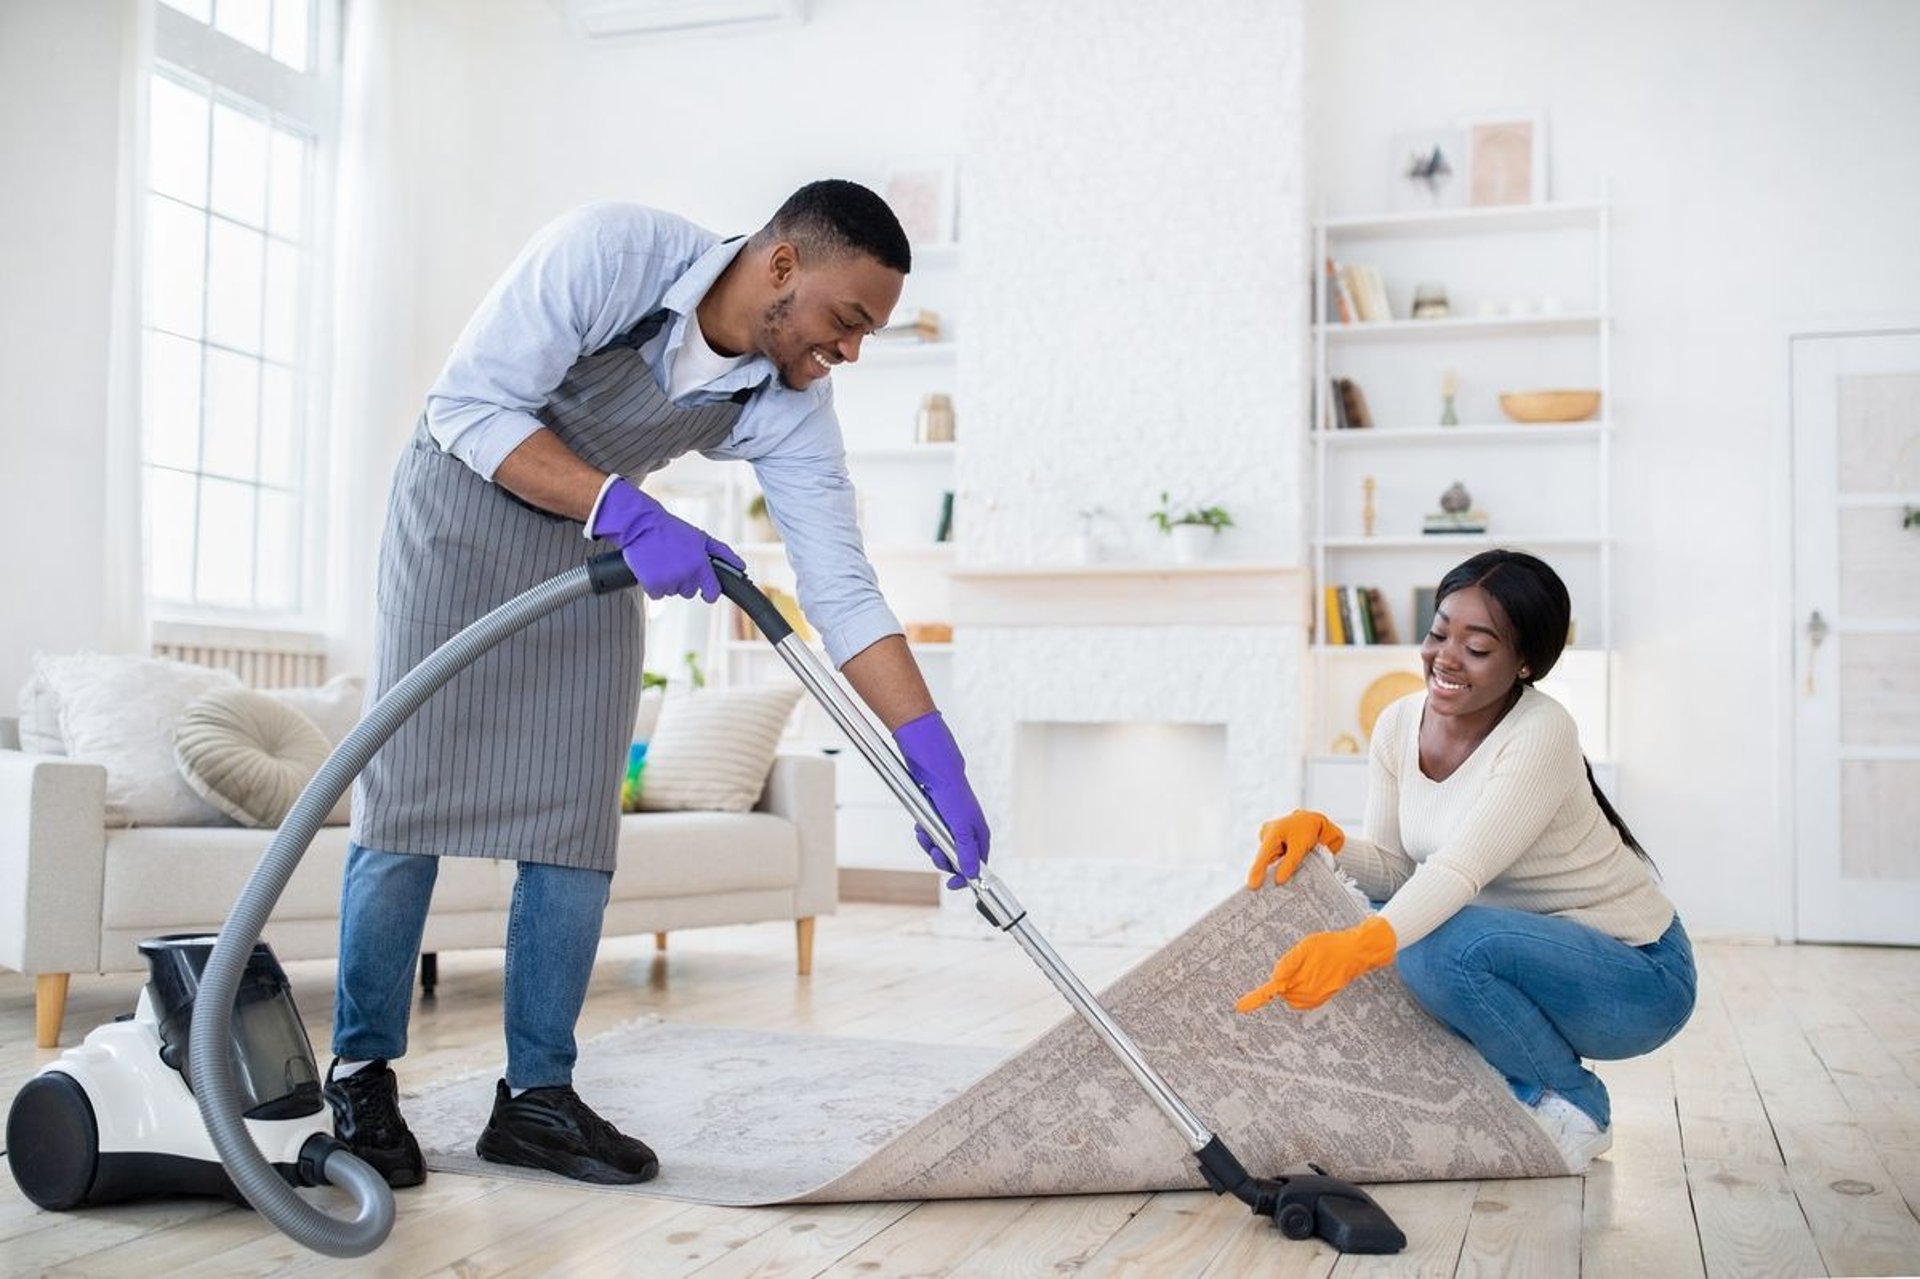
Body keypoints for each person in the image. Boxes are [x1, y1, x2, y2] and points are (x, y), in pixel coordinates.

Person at [322, 181, 991, 1189]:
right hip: (461, 517)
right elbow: (465, 405)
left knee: (574, 821)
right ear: (781, 265)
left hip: (589, 555)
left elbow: (841, 586)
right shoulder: (611, 255)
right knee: (406, 798)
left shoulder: (789, 400)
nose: (851, 351)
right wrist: (628, 511)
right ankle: (361, 1074)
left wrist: (929, 750)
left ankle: (537, 1097)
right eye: (847, 319)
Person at [1234, 549, 1694, 1172]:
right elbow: (1398, 870)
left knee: (1427, 942)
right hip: (1522, 952)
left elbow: (1458, 871)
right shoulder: (1398, 724)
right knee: (1385, 916)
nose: (1446, 658)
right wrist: (1327, 841)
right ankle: (1485, 1080)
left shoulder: (1542, 731)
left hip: (1637, 976)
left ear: (1525, 663)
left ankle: (1572, 1102)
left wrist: (1361, 946)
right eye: (1438, 633)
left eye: (1477, 648)